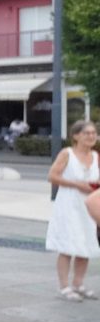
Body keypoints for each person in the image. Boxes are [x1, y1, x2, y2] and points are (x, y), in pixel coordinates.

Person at [45, 120, 100, 301]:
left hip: (88, 205)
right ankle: (64, 286)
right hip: (69, 204)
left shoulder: (96, 156)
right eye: (86, 133)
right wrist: (77, 184)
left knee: (86, 244)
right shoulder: (67, 154)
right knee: (67, 246)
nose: (91, 136)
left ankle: (78, 283)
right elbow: (52, 176)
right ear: (76, 136)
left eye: (93, 133)